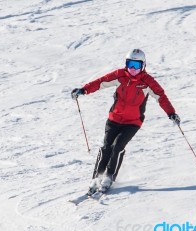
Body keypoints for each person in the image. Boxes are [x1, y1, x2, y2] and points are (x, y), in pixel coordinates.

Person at [71, 49, 180, 195]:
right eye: (130, 64)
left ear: (143, 65)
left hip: (133, 122)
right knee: (106, 147)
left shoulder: (147, 82)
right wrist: (84, 90)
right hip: (114, 119)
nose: (133, 69)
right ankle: (96, 178)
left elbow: (161, 97)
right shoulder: (120, 75)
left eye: (136, 65)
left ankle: (109, 177)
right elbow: (100, 82)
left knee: (117, 146)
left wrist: (171, 113)